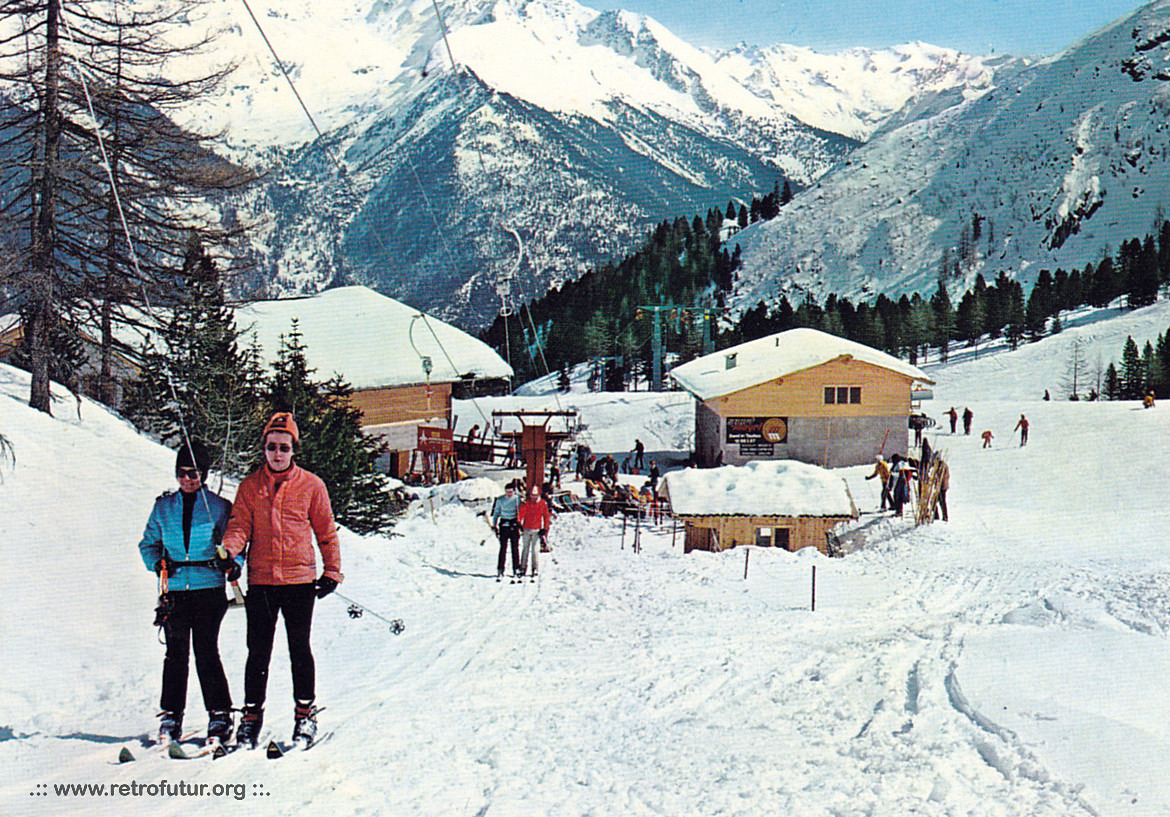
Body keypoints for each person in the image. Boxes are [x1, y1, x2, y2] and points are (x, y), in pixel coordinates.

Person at [221, 413, 343, 749]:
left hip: (299, 582)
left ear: (293, 450)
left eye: (284, 447)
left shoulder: (311, 486)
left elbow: (326, 531)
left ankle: (304, 715)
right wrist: (229, 551)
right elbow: (239, 528)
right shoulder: (250, 486)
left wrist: (332, 571)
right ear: (264, 449)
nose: (277, 454)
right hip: (261, 581)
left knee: (299, 649)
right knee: (257, 652)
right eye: (272, 447)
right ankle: (250, 719)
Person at [139, 440, 239, 746]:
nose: (187, 479)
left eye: (193, 473)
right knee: (176, 653)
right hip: (177, 589)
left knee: (206, 651)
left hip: (208, 588)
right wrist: (158, 563)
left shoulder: (220, 507)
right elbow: (148, 543)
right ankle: (171, 714)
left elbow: (237, 543)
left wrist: (233, 563)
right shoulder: (163, 507)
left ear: (205, 474)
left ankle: (220, 714)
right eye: (181, 473)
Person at [517, 484, 551, 579]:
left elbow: (546, 517)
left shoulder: (542, 503)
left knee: (535, 550)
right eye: (532, 495)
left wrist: (544, 528)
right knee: (525, 549)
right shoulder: (527, 503)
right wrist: (519, 522)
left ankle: (535, 568)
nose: (533, 497)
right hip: (526, 529)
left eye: (535, 495)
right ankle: (523, 567)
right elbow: (521, 513)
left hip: (536, 530)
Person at [491, 481, 522, 581]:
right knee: (503, 548)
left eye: (511, 492)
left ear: (514, 491)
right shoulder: (500, 500)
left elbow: (520, 511)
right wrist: (494, 524)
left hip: (513, 524)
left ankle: (516, 568)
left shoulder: (517, 499)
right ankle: (500, 569)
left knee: (515, 547)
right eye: (507, 492)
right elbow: (496, 512)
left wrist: (520, 523)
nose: (509, 494)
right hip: (504, 525)